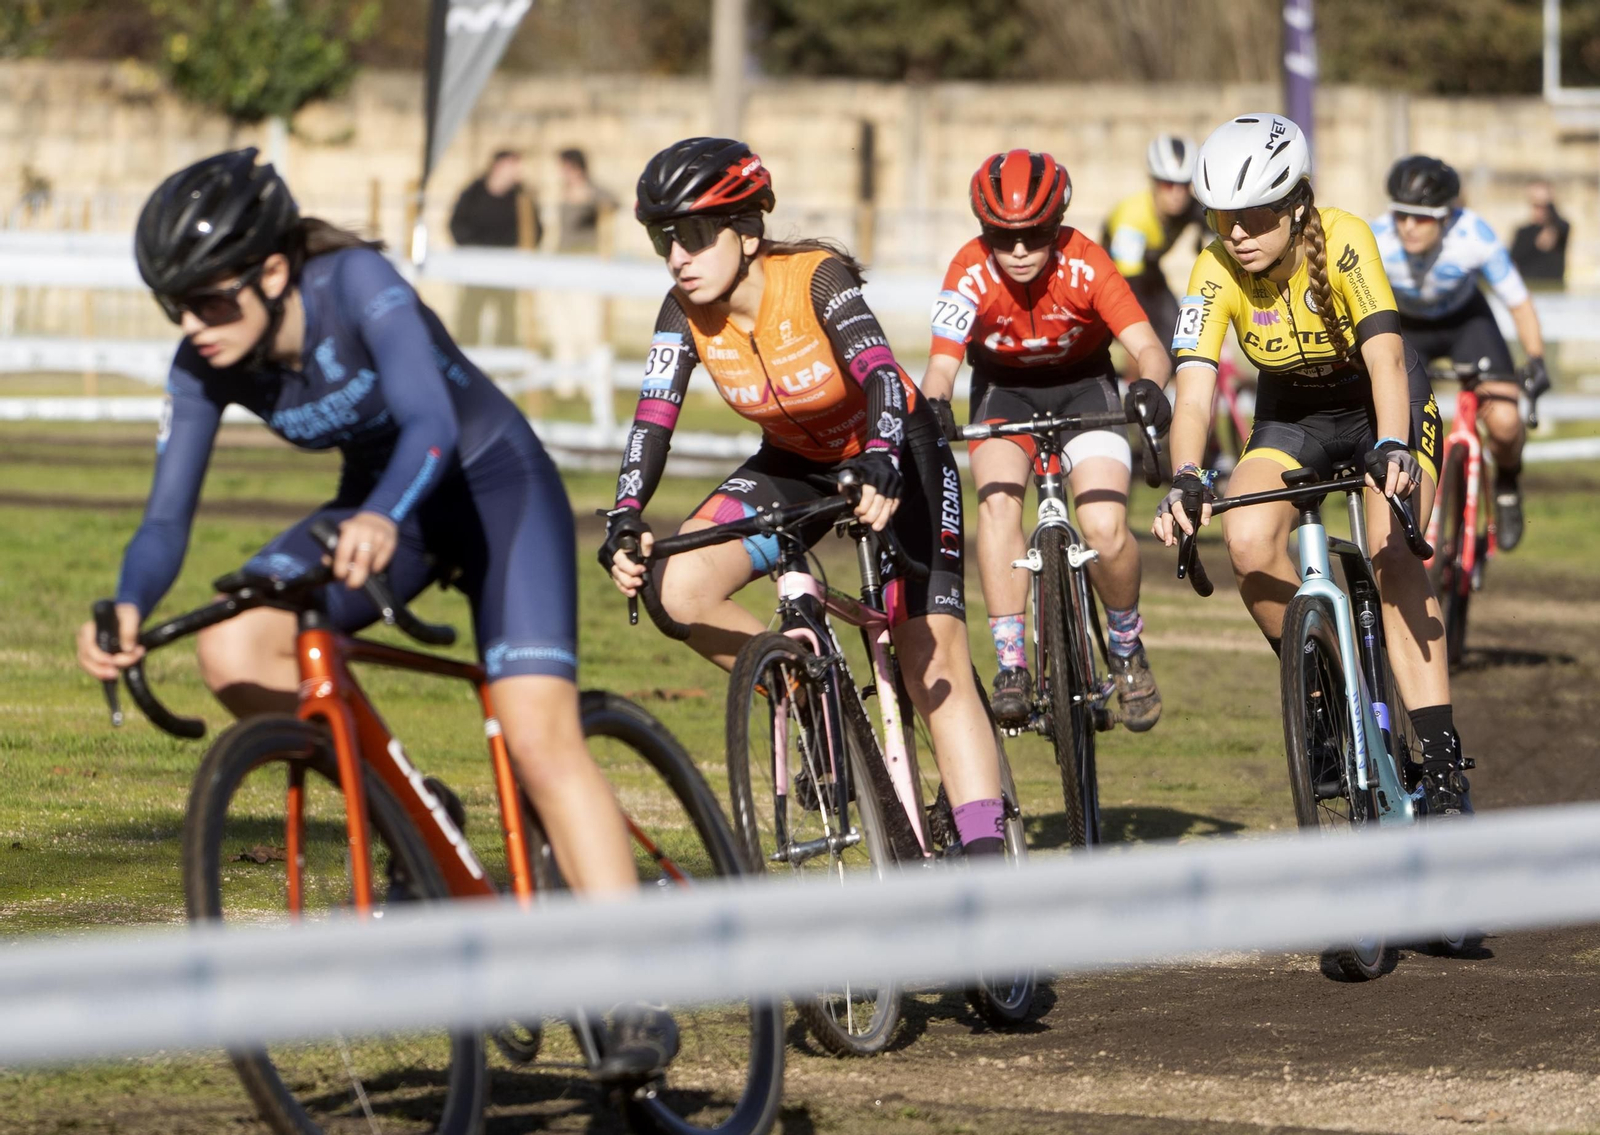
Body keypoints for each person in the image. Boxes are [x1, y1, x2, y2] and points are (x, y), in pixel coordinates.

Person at [74, 148, 673, 1079]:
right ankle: (414, 807)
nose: (191, 326)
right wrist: (124, 602)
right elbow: (164, 517)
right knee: (236, 647)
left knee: (535, 731)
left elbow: (432, 420)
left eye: (209, 301)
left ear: (273, 271)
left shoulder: (355, 282)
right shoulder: (205, 362)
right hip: (382, 505)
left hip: (491, 486)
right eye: (174, 306)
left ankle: (636, 992)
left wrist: (383, 516)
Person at [601, 136, 1011, 859]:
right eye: (666, 238)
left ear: (749, 231)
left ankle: (985, 869)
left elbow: (884, 375)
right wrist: (627, 514)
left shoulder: (814, 278)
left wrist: (883, 459)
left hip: (897, 450)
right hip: (796, 463)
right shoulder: (682, 311)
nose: (678, 257)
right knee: (678, 586)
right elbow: (652, 417)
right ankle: (806, 697)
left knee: (928, 654)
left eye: (695, 235)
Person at [1152, 114, 1473, 815]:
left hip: (1378, 403)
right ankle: (1324, 704)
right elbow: (1196, 390)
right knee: (1245, 538)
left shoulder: (1347, 236)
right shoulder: (1214, 268)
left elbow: (1386, 357)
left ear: (1297, 205)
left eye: (1255, 215)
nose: (1236, 232)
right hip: (1292, 415)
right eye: (1221, 215)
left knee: (1391, 548)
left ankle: (1444, 761)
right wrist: (1185, 474)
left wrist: (1392, 446)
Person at [920, 149, 1173, 732]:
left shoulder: (1087, 261)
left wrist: (1150, 388)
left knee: (1107, 529)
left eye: (1033, 236)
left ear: (1056, 226)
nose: (1017, 251)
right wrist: (933, 403)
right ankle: (1012, 661)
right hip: (1003, 391)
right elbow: (941, 366)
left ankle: (1127, 644)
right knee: (999, 505)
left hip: (1084, 387)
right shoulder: (968, 269)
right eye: (1001, 237)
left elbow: (1150, 349)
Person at [1372, 155, 1550, 550]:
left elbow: (1519, 303)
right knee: (1398, 420)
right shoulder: (1376, 238)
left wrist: (1535, 359)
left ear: (1447, 216)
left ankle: (1506, 484)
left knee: (1504, 420)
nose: (1409, 227)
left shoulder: (1474, 237)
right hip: (1408, 324)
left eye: (1422, 217)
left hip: (1466, 322)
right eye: (1401, 215)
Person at [1103, 134, 1208, 359]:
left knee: (1177, 333)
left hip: (1149, 269)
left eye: (1184, 185)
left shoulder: (1190, 207)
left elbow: (1214, 229)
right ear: (1154, 182)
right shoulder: (1132, 218)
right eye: (1168, 184)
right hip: (1116, 277)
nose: (1177, 194)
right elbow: (1131, 286)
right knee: (1153, 336)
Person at [448, 149, 535, 346]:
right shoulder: (474, 192)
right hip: (475, 265)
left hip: (508, 266)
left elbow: (533, 230)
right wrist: (473, 248)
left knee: (507, 315)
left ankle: (505, 362)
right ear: (498, 166)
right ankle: (467, 353)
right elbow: (457, 224)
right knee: (470, 311)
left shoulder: (522, 196)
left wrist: (518, 249)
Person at [1509, 180, 1570, 286]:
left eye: (1544, 205)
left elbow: (1562, 226)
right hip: (1528, 290)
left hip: (1553, 292)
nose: (1540, 210)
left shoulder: (1557, 228)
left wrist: (1549, 204)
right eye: (1536, 204)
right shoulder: (1522, 232)